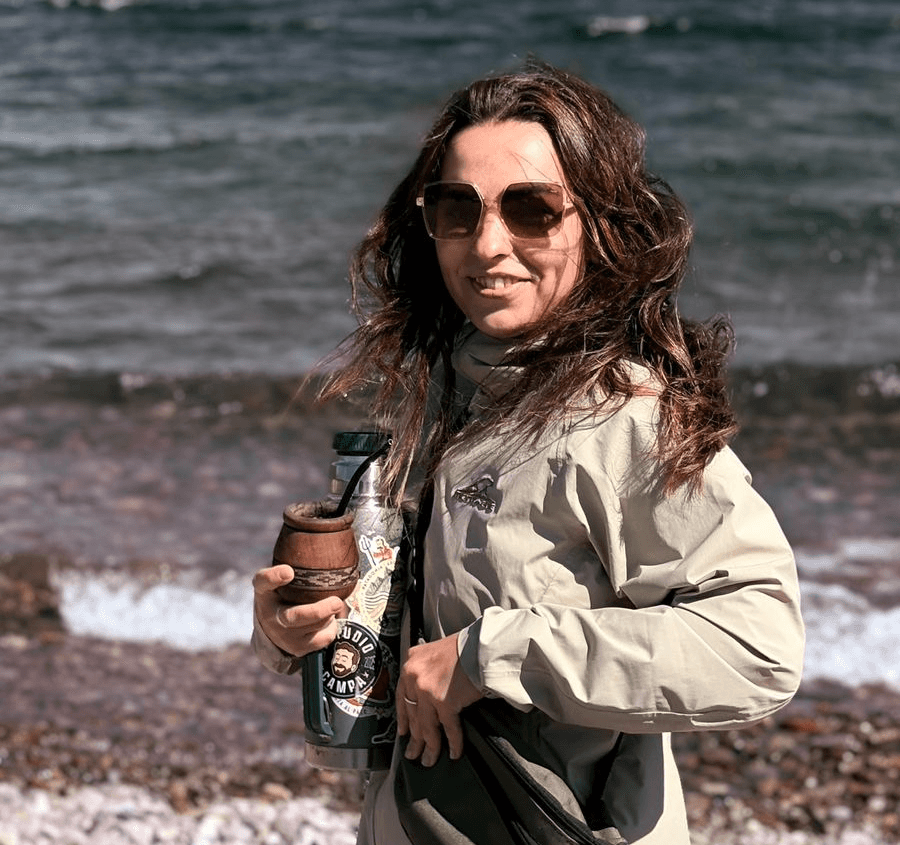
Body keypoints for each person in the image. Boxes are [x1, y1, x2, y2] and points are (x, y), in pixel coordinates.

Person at [252, 62, 805, 844]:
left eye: (533, 209)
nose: (488, 245)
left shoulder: (628, 420)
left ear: (600, 223)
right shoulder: (435, 397)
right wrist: (290, 629)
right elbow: (394, 636)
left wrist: (493, 655)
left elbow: (757, 647)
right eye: (456, 208)